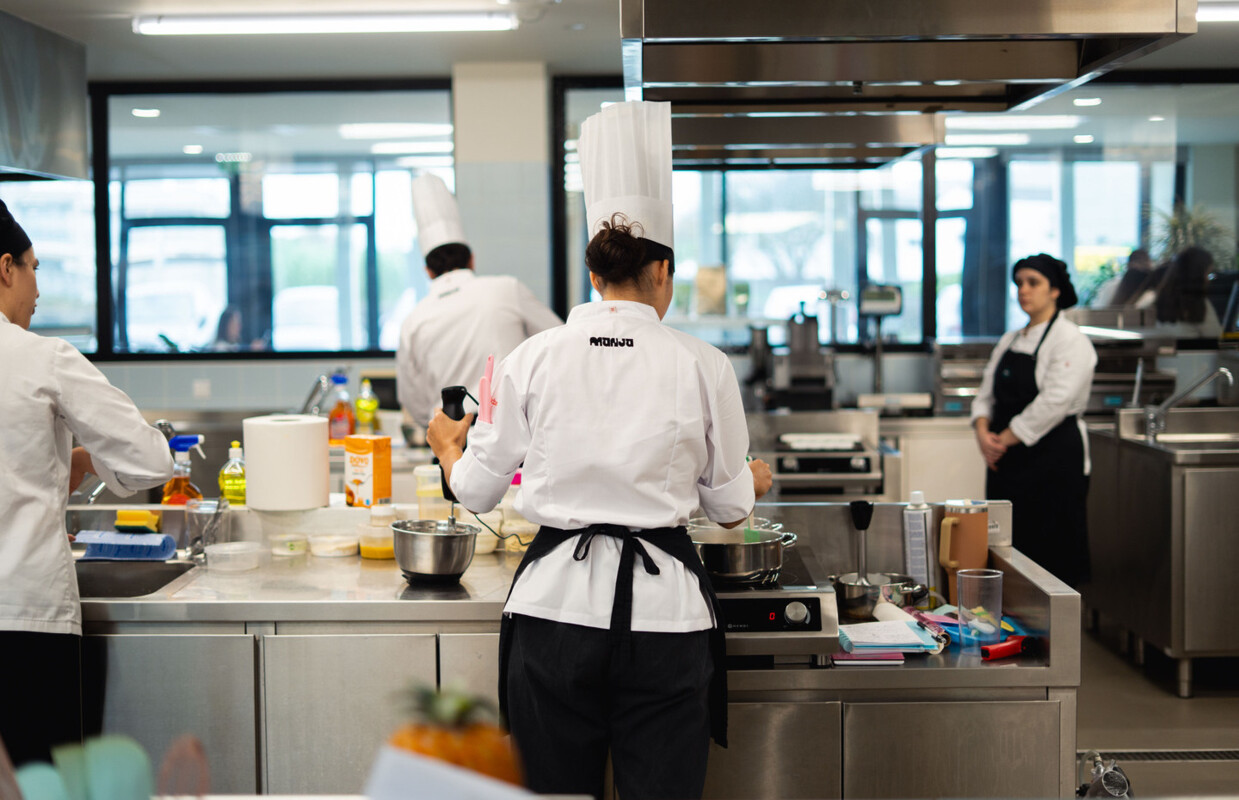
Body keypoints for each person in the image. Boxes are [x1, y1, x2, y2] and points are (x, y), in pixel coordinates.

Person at [426, 101, 773, 800]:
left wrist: (445, 448)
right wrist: (753, 479)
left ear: (594, 276)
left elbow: (478, 489)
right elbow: (730, 508)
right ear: (663, 271)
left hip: (552, 613)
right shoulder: (703, 363)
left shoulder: (532, 357)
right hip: (667, 622)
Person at [0, 199, 174, 765]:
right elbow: (151, 460)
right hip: (25, 624)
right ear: (5, 269)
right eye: (34, 268)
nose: (38, 289)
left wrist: (64, 465)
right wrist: (96, 461)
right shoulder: (42, 358)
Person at [396, 174, 561, 431]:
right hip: (511, 434)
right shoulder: (506, 289)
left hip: (449, 439)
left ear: (427, 271)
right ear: (471, 259)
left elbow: (412, 399)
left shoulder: (413, 321)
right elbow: (560, 339)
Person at [971, 254, 1097, 588]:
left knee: (1053, 554)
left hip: (1053, 461)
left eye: (1033, 283)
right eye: (1019, 283)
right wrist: (983, 433)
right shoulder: (1010, 339)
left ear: (1055, 290)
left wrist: (1002, 439)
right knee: (1007, 550)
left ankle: (1058, 622)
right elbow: (985, 394)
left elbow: (1056, 401)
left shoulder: (1070, 339)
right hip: (1005, 461)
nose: (1023, 290)